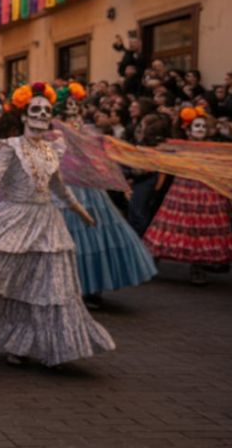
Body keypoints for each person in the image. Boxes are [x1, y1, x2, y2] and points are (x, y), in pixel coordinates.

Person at [0, 82, 114, 367]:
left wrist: (79, 211)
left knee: (49, 287)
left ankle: (53, 345)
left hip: (48, 226)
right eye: (35, 110)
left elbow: (58, 187)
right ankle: (17, 342)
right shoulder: (10, 147)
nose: (41, 115)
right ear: (25, 116)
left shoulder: (52, 149)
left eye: (46, 111)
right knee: (14, 283)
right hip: (14, 220)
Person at [55, 84, 157, 307]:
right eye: (68, 106)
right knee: (68, 238)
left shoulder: (86, 130)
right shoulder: (51, 131)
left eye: (76, 106)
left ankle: (90, 288)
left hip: (88, 190)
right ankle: (64, 287)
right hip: (63, 188)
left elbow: (96, 156)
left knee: (92, 237)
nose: (73, 110)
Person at [144, 108, 232, 285]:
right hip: (182, 191)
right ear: (188, 130)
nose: (200, 129)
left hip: (207, 193)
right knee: (171, 225)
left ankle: (198, 268)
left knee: (202, 230)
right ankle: (151, 263)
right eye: (196, 126)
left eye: (203, 126)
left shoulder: (213, 149)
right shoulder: (180, 146)